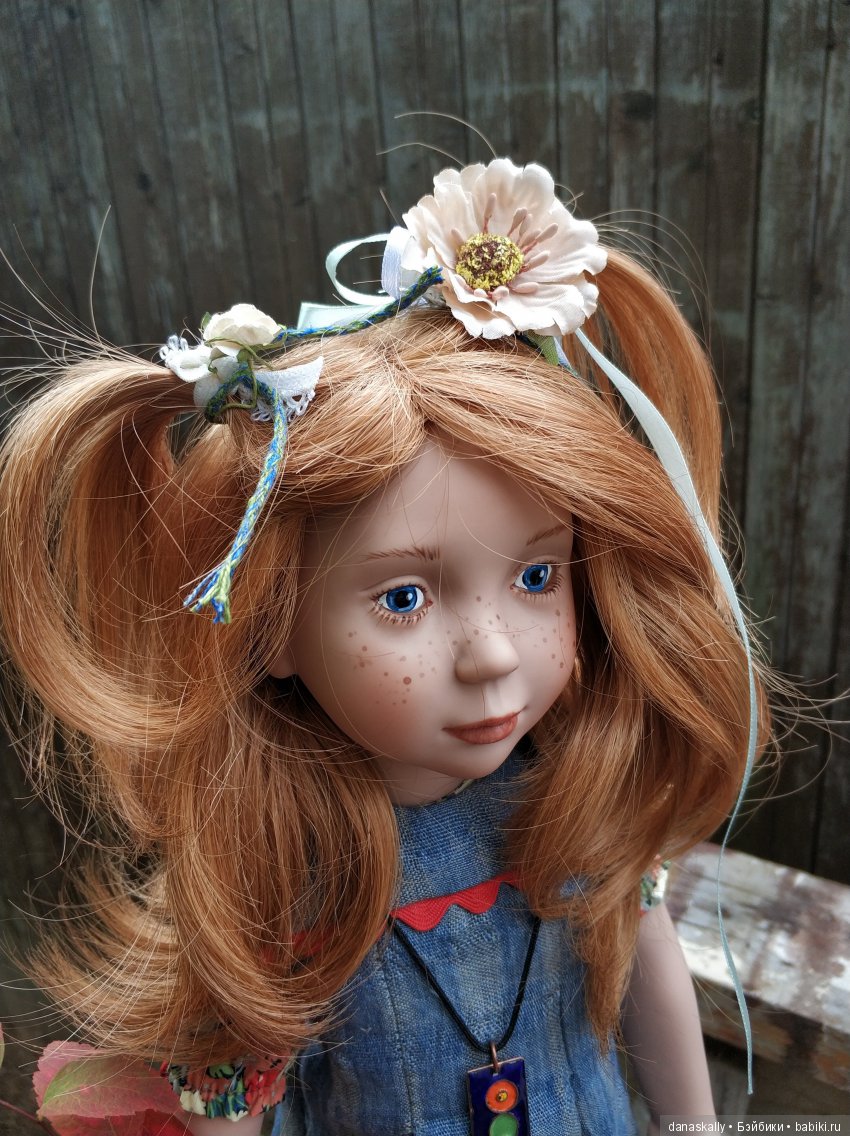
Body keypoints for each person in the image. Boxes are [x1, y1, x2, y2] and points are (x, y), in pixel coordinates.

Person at [0, 159, 767, 1135]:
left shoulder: (584, 798)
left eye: (538, 576)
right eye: (403, 597)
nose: (492, 654)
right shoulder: (286, 874)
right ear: (272, 629)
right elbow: (234, 1094)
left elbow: (647, 963)